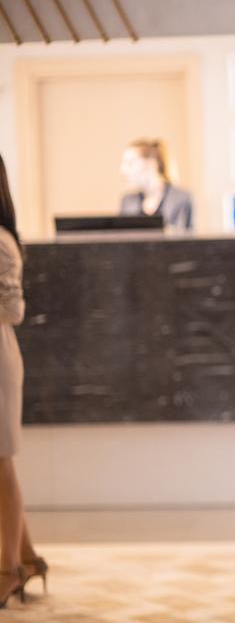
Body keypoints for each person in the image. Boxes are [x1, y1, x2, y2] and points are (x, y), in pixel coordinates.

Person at [0, 153, 47, 609]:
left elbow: (13, 310)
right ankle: (28, 558)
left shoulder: (0, 242)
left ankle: (7, 570)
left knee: (1, 462)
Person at [118, 139, 194, 231]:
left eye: (130, 163)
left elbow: (186, 239)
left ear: (151, 163)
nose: (123, 170)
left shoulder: (181, 199)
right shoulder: (128, 201)